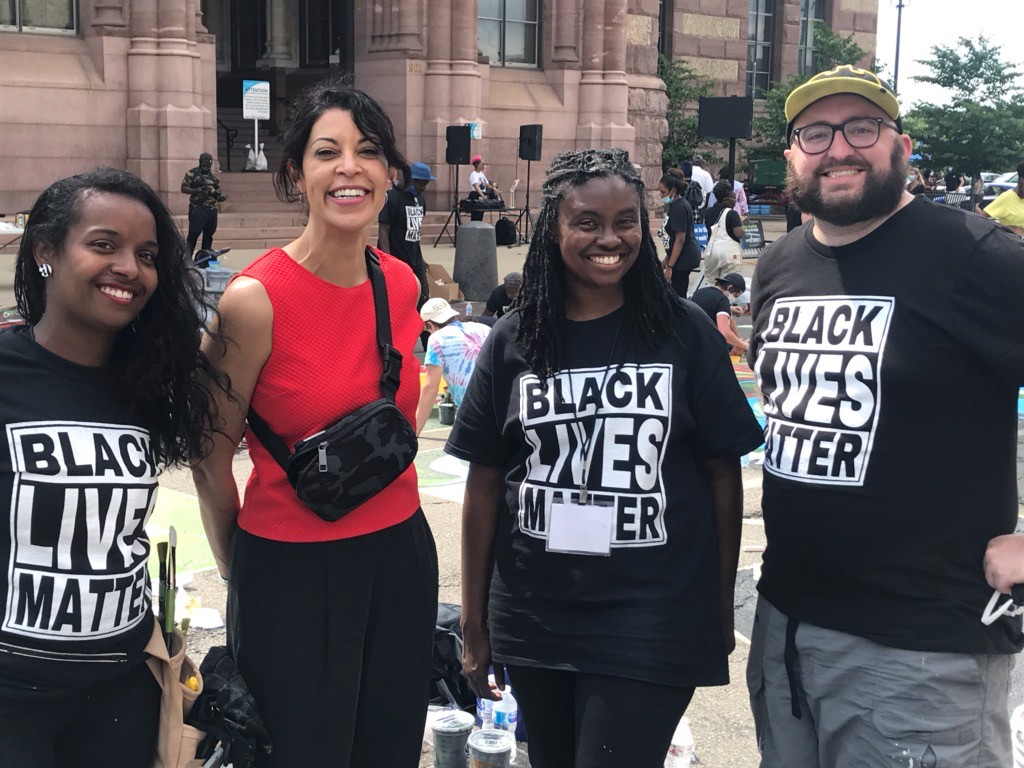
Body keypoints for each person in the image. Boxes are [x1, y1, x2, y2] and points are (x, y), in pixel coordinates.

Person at [447, 148, 764, 768]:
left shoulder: (684, 332)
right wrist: (476, 619)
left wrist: (719, 604)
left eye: (626, 221)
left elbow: (724, 477)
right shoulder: (515, 338)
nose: (609, 238)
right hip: (536, 611)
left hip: (653, 609)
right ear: (554, 229)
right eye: (587, 222)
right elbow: (485, 484)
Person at [747, 65, 1024, 767]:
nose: (838, 147)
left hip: (920, 651)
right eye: (816, 132)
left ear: (900, 145)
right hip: (785, 627)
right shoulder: (779, 265)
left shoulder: (973, 254)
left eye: (861, 128)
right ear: (792, 157)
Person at [191, 80, 438, 768]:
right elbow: (210, 458)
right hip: (291, 569)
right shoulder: (253, 300)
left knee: (388, 746)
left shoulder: (401, 283)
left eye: (368, 151)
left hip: (400, 557)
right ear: (296, 174)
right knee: (299, 753)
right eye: (327, 152)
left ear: (390, 173)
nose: (350, 168)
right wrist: (244, 574)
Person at [0, 168, 226, 767]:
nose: (129, 267)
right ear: (47, 250)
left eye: (146, 255)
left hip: (121, 690)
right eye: (104, 245)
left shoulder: (151, 382)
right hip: (11, 700)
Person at [414, 298, 490, 434]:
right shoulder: (483, 329)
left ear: (430, 325)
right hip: (501, 404)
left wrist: (415, 431)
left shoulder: (437, 339)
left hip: (472, 411)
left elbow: (430, 389)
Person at [378, 160, 435, 308]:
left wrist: (421, 260)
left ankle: (423, 330)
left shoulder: (420, 198)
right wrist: (387, 260)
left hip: (415, 257)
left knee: (423, 296)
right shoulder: (393, 196)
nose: (424, 188)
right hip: (397, 257)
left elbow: (416, 231)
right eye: (422, 184)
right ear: (412, 180)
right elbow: (384, 229)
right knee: (400, 299)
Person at [658, 172, 702, 297]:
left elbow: (679, 239)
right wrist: (666, 261)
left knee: (677, 295)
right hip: (678, 257)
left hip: (683, 259)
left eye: (663, 192)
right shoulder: (675, 205)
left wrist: (670, 267)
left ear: (673, 191)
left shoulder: (680, 208)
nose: (661, 196)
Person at [180, 152, 226, 257]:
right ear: (200, 162)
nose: (206, 167)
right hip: (198, 208)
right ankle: (187, 259)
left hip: (212, 209)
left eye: (208, 165)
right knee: (193, 235)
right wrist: (198, 190)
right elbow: (184, 188)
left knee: (208, 235)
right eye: (204, 164)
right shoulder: (192, 173)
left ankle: (204, 258)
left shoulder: (213, 177)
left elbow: (218, 189)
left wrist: (220, 196)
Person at [690, 273, 748, 354]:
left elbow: (707, 306)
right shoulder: (722, 299)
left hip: (689, 337)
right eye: (735, 295)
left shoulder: (700, 291)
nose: (734, 299)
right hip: (704, 343)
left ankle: (737, 342)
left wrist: (729, 308)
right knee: (737, 350)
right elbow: (725, 332)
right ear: (729, 287)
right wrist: (744, 345)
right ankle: (737, 345)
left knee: (735, 341)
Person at [701, 180, 745, 286]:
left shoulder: (708, 212)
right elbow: (738, 233)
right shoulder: (732, 214)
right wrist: (743, 228)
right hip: (728, 253)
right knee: (729, 284)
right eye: (734, 199)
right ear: (726, 200)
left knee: (711, 283)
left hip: (711, 252)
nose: (735, 202)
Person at [979, 161, 1024, 237]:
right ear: (1021, 180)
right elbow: (981, 218)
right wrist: (1007, 229)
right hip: (1010, 244)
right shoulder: (1007, 197)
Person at [468, 155, 500, 222]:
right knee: (476, 216)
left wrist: (494, 189)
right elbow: (476, 186)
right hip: (475, 195)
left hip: (482, 195)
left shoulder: (481, 174)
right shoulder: (474, 174)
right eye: (482, 164)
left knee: (480, 215)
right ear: (477, 165)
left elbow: (487, 184)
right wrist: (482, 195)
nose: (483, 165)